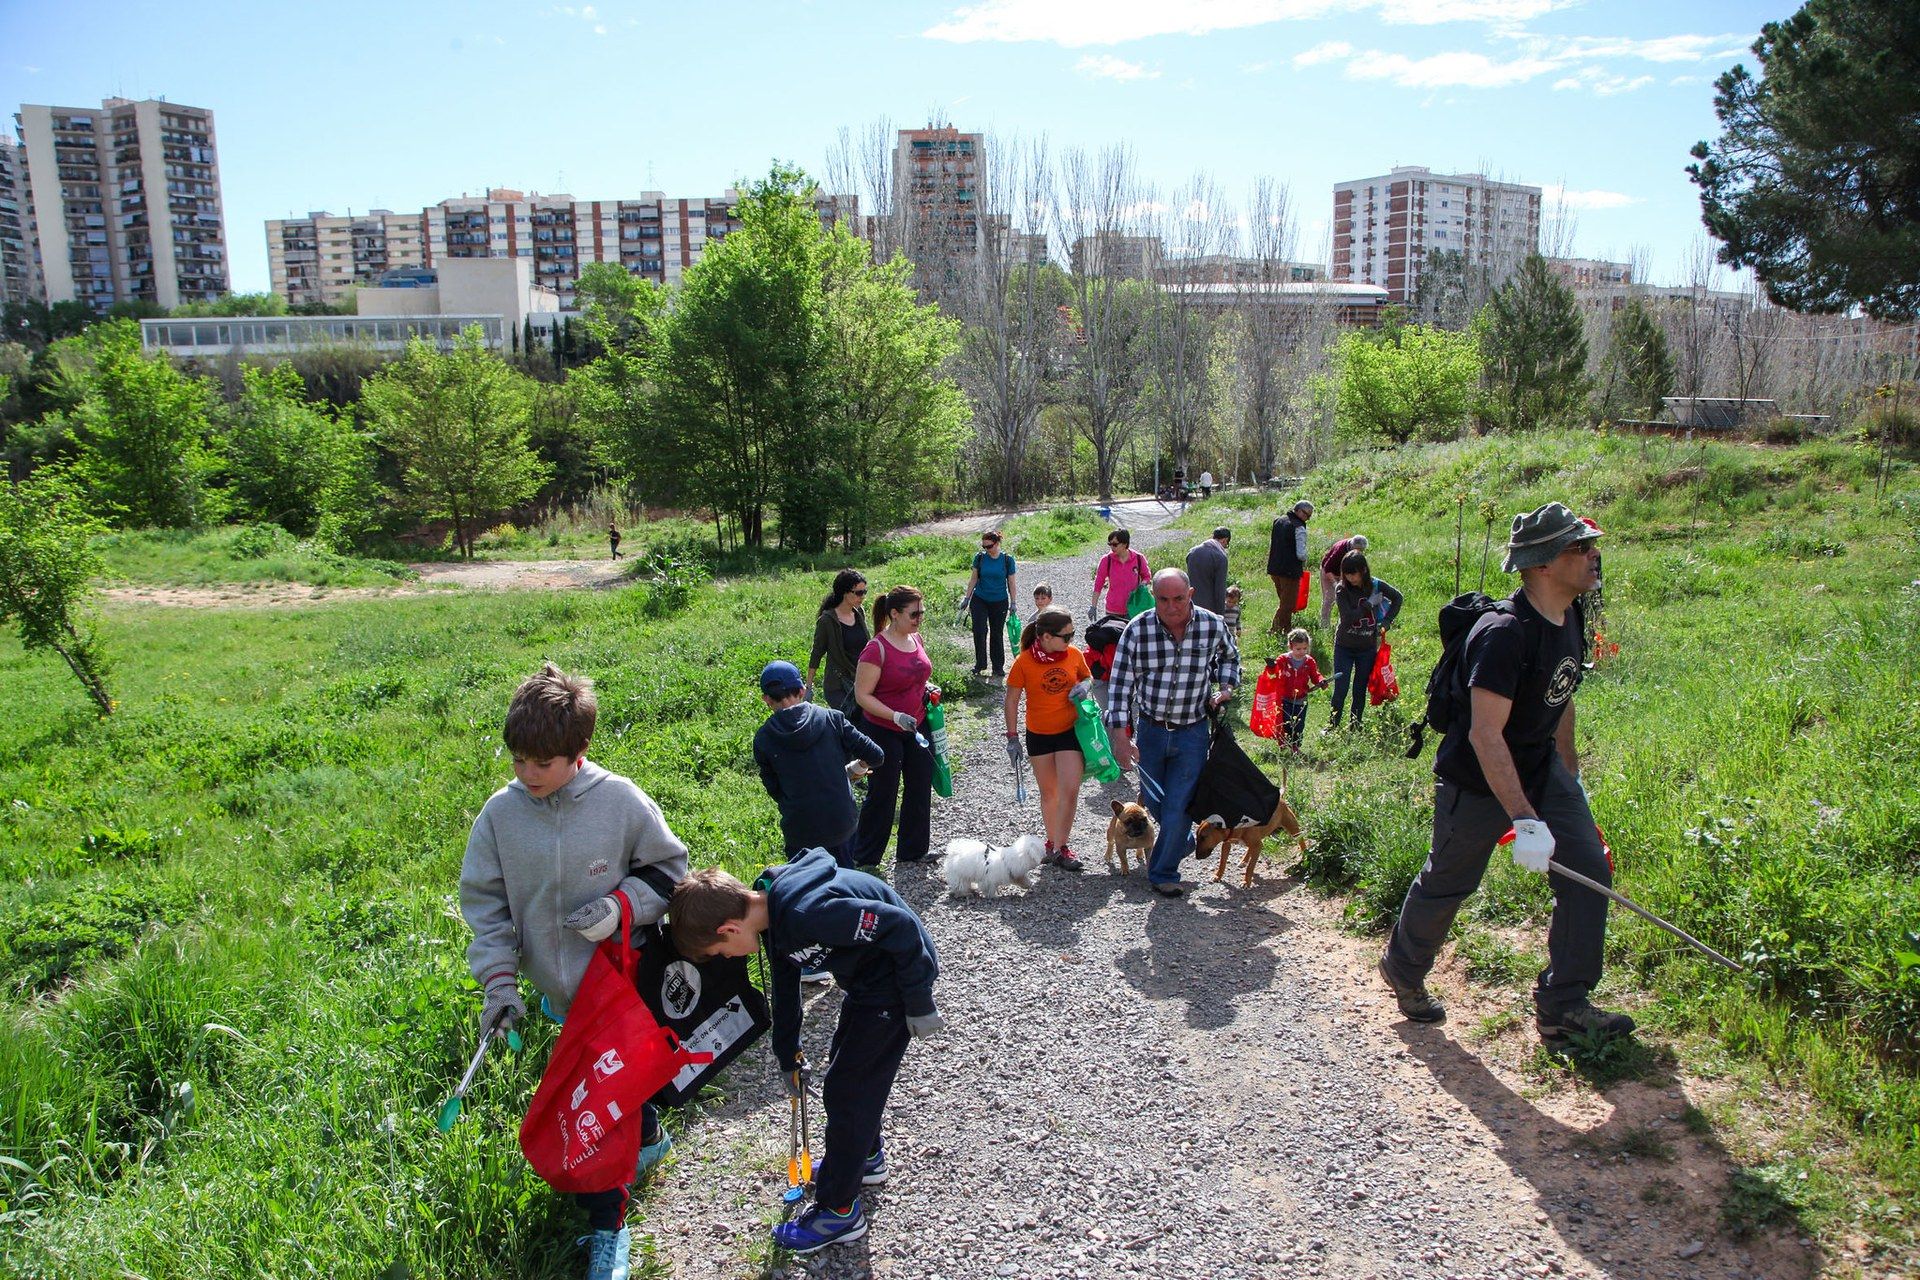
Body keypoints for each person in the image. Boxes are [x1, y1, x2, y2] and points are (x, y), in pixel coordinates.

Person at [459, 663, 689, 1280]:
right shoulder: (500, 818)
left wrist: (620, 907)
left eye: (543, 763)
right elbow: (486, 907)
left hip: (617, 991)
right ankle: (647, 1139)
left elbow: (670, 872)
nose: (528, 774)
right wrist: (500, 985)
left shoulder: (619, 801)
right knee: (619, 1092)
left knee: (598, 1107)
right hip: (557, 995)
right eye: (518, 761)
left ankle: (607, 1231)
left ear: (579, 751)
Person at [1379, 502, 1631, 1046]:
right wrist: (1524, 819)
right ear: (1542, 564)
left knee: (1588, 870)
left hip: (1541, 769)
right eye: (1579, 547)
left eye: (1591, 545)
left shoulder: (1571, 616)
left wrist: (1570, 777)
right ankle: (1403, 970)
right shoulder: (1503, 634)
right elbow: (1485, 735)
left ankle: (1564, 1004)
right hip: (1477, 781)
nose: (1593, 556)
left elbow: (1560, 697)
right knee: (1451, 882)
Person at [672, 854, 943, 1255]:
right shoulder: (770, 913)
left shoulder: (805, 914)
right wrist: (787, 1053)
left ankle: (838, 1210)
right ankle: (864, 1158)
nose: (727, 958)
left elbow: (900, 925)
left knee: (848, 1092)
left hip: (896, 983)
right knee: (845, 1072)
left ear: (729, 928)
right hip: (867, 983)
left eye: (720, 951)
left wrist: (918, 1001)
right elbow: (786, 985)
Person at [1105, 569, 1242, 897]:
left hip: (1192, 732)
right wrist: (1120, 736)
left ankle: (1164, 871)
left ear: (1191, 593)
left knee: (1179, 804)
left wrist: (1225, 687)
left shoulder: (1211, 624)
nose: (1172, 606)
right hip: (1152, 731)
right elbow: (1121, 683)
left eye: (1179, 598)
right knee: (1154, 801)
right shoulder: (1138, 630)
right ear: (1154, 597)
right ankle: (1182, 841)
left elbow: (1231, 657)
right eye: (1164, 599)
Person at [754, 661, 885, 867]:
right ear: (802, 690)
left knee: (809, 892)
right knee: (845, 885)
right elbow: (876, 755)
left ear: (767, 699)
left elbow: (775, 790)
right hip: (840, 824)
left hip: (800, 832)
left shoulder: (763, 738)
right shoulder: (832, 719)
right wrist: (854, 769)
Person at [850, 586, 938, 869]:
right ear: (894, 614)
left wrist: (927, 689)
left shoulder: (917, 638)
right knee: (883, 792)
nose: (919, 618)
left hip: (917, 724)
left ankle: (913, 852)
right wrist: (894, 715)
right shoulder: (876, 649)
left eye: (921, 612)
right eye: (914, 613)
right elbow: (862, 696)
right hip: (881, 728)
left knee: (920, 785)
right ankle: (866, 858)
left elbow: (918, 676)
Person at [1004, 607, 1095, 871]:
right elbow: (1011, 699)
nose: (1070, 641)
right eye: (1065, 636)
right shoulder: (1023, 662)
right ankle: (1052, 841)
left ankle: (1060, 847)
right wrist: (1012, 737)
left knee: (1070, 789)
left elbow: (1087, 676)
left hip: (1070, 731)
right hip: (1039, 735)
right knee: (1050, 793)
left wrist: (1085, 686)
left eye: (1072, 635)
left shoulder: (1074, 654)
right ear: (1044, 637)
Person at [1328, 549, 1403, 731]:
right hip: (1344, 646)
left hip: (1367, 648)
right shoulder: (1341, 589)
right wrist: (1369, 603)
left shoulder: (1375, 585)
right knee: (1341, 688)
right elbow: (1347, 618)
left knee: (1359, 688)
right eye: (1347, 574)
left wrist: (1387, 621)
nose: (1351, 578)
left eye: (1354, 573)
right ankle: (1332, 724)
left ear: (1363, 570)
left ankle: (1355, 724)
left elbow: (1398, 598)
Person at [808, 570, 870, 713]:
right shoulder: (827, 621)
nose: (863, 597)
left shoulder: (859, 613)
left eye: (864, 591)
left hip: (861, 681)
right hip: (838, 686)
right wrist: (809, 687)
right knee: (854, 721)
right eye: (858, 592)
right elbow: (816, 654)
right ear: (844, 592)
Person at [965, 530, 1018, 679]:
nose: (986, 549)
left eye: (989, 546)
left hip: (1000, 601)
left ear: (997, 543)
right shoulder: (980, 558)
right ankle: (980, 664)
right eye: (984, 546)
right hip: (980, 599)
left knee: (997, 633)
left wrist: (1013, 602)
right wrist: (966, 598)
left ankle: (998, 667)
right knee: (980, 630)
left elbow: (1011, 583)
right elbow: (973, 579)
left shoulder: (1008, 560)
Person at [1276, 627, 1329, 750]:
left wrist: (1321, 681)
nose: (1302, 651)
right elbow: (1274, 672)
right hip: (1285, 698)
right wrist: (1272, 667)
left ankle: (1296, 746)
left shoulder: (1309, 661)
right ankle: (1284, 743)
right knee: (1286, 723)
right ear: (1291, 646)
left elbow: (1315, 675)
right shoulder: (1283, 660)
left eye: (1305, 648)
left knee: (1299, 725)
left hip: (1301, 699)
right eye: (1298, 649)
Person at [1266, 499, 1314, 635]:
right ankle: (1274, 631)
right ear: (1298, 511)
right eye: (1307, 515)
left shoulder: (1279, 520)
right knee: (1288, 605)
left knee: (1284, 601)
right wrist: (1305, 559)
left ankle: (1286, 629)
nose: (1308, 519)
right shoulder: (1299, 527)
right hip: (1290, 571)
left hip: (1274, 568)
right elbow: (1301, 554)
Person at [1092, 529, 1151, 620]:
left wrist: (1142, 585)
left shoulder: (1138, 558)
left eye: (1115, 544)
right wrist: (1093, 607)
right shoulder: (1106, 560)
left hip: (1134, 608)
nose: (1112, 547)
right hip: (1113, 609)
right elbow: (1098, 584)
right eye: (1110, 544)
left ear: (1124, 544)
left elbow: (1147, 576)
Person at [1319, 533, 1368, 630]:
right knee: (1330, 598)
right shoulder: (1340, 550)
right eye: (1357, 550)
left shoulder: (1356, 550)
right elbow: (1327, 569)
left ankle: (1345, 624)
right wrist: (1335, 584)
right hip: (1329, 572)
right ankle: (1324, 626)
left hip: (1344, 574)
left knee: (1347, 598)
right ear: (1352, 546)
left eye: (1361, 551)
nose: (1359, 552)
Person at [1186, 526, 1232, 615]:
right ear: (1224, 540)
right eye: (1226, 544)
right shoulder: (1220, 557)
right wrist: (1220, 615)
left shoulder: (1192, 552)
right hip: (1209, 609)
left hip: (1191, 606)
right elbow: (1220, 590)